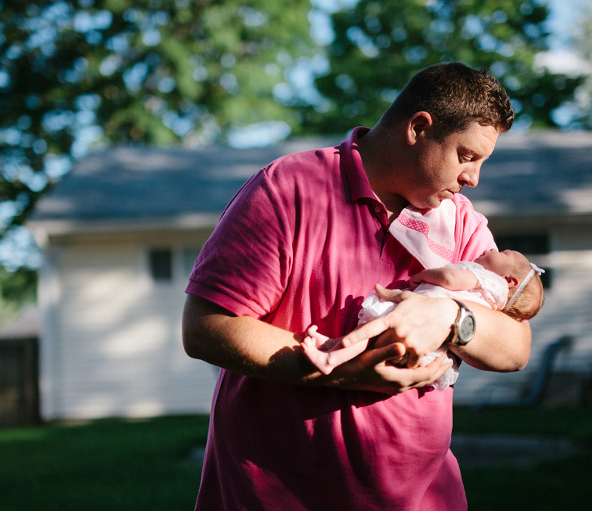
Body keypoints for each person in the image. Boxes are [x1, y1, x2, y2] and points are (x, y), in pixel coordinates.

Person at [182, 62, 529, 510]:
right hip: (279, 495)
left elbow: (516, 345)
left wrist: (452, 318)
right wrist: (343, 372)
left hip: (422, 499)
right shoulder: (289, 189)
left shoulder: (460, 222)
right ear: (418, 128)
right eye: (467, 156)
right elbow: (205, 327)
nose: (473, 179)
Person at [302, 249, 545, 388]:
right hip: (431, 350)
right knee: (372, 341)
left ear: (510, 280)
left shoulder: (493, 282)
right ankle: (331, 349)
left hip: (417, 321)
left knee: (371, 335)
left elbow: (451, 279)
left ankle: (332, 356)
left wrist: (424, 275)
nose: (491, 249)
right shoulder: (495, 302)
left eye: (503, 253)